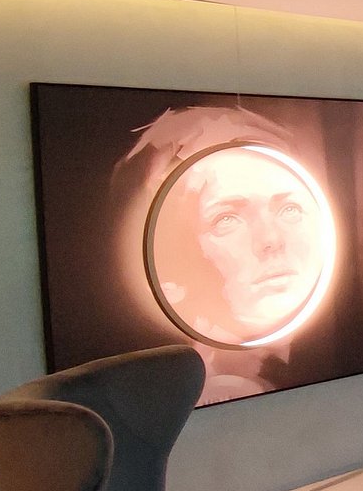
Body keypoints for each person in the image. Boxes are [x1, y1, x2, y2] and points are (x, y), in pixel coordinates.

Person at [115, 106, 337, 404]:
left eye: (289, 209)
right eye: (227, 219)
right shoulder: (170, 399)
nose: (271, 239)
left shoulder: (329, 361)